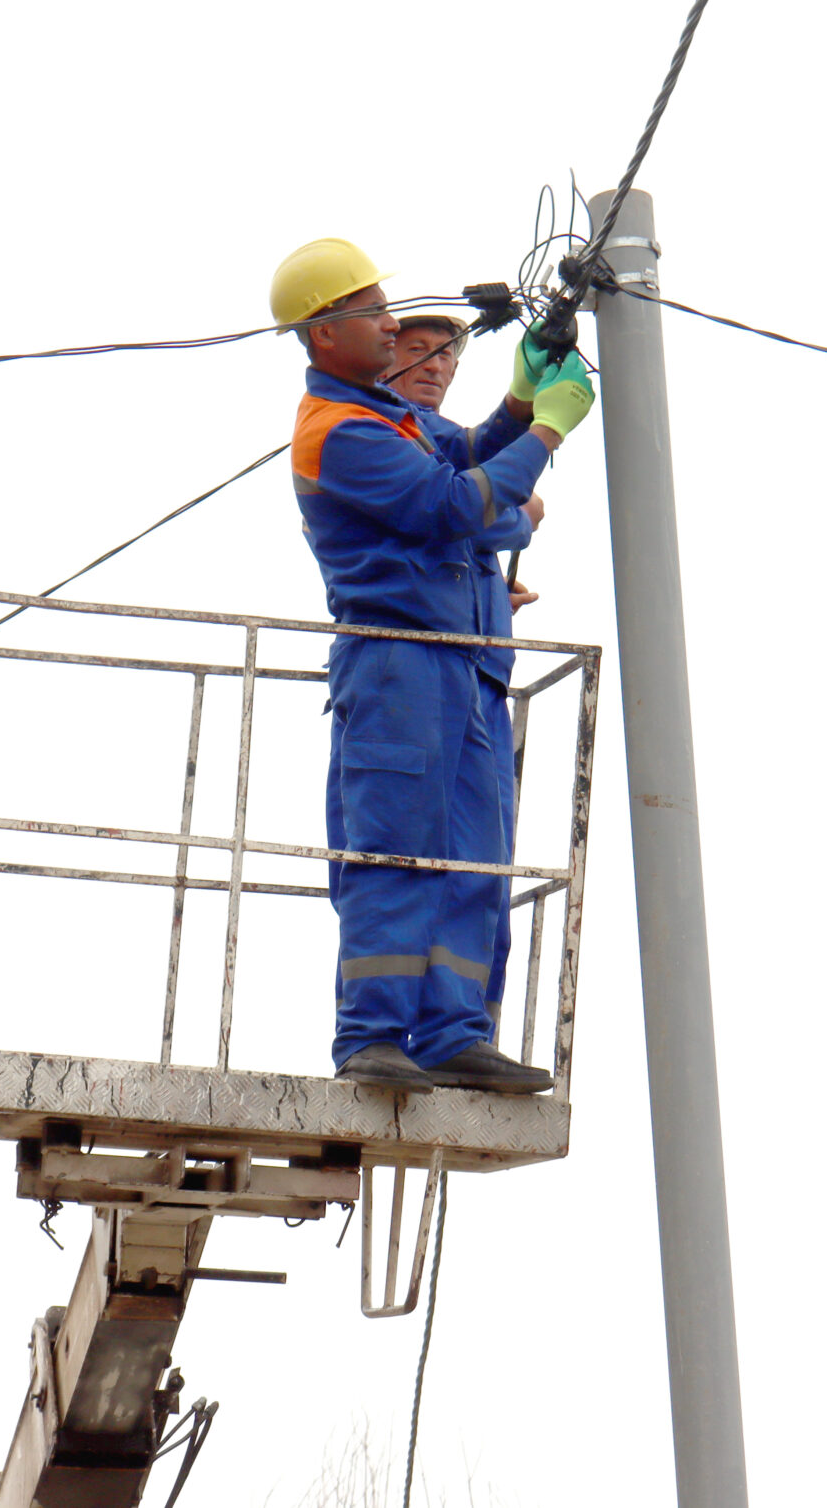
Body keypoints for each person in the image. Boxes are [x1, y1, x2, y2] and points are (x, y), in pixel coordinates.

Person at [271, 238, 595, 1095]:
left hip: (467, 667)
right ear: (324, 331)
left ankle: (455, 1031)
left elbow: (469, 458)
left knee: (475, 856)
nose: (390, 325)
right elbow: (452, 505)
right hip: (399, 662)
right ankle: (373, 1032)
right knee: (397, 849)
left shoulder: (393, 420)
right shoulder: (340, 432)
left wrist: (521, 404)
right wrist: (548, 431)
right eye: (374, 312)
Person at [386, 313, 544, 618]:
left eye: (444, 355)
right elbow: (450, 514)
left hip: (455, 640)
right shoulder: (383, 429)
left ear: (454, 370)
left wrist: (486, 593)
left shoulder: (433, 441)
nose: (434, 366)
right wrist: (521, 517)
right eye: (417, 350)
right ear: (383, 362)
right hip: (414, 637)